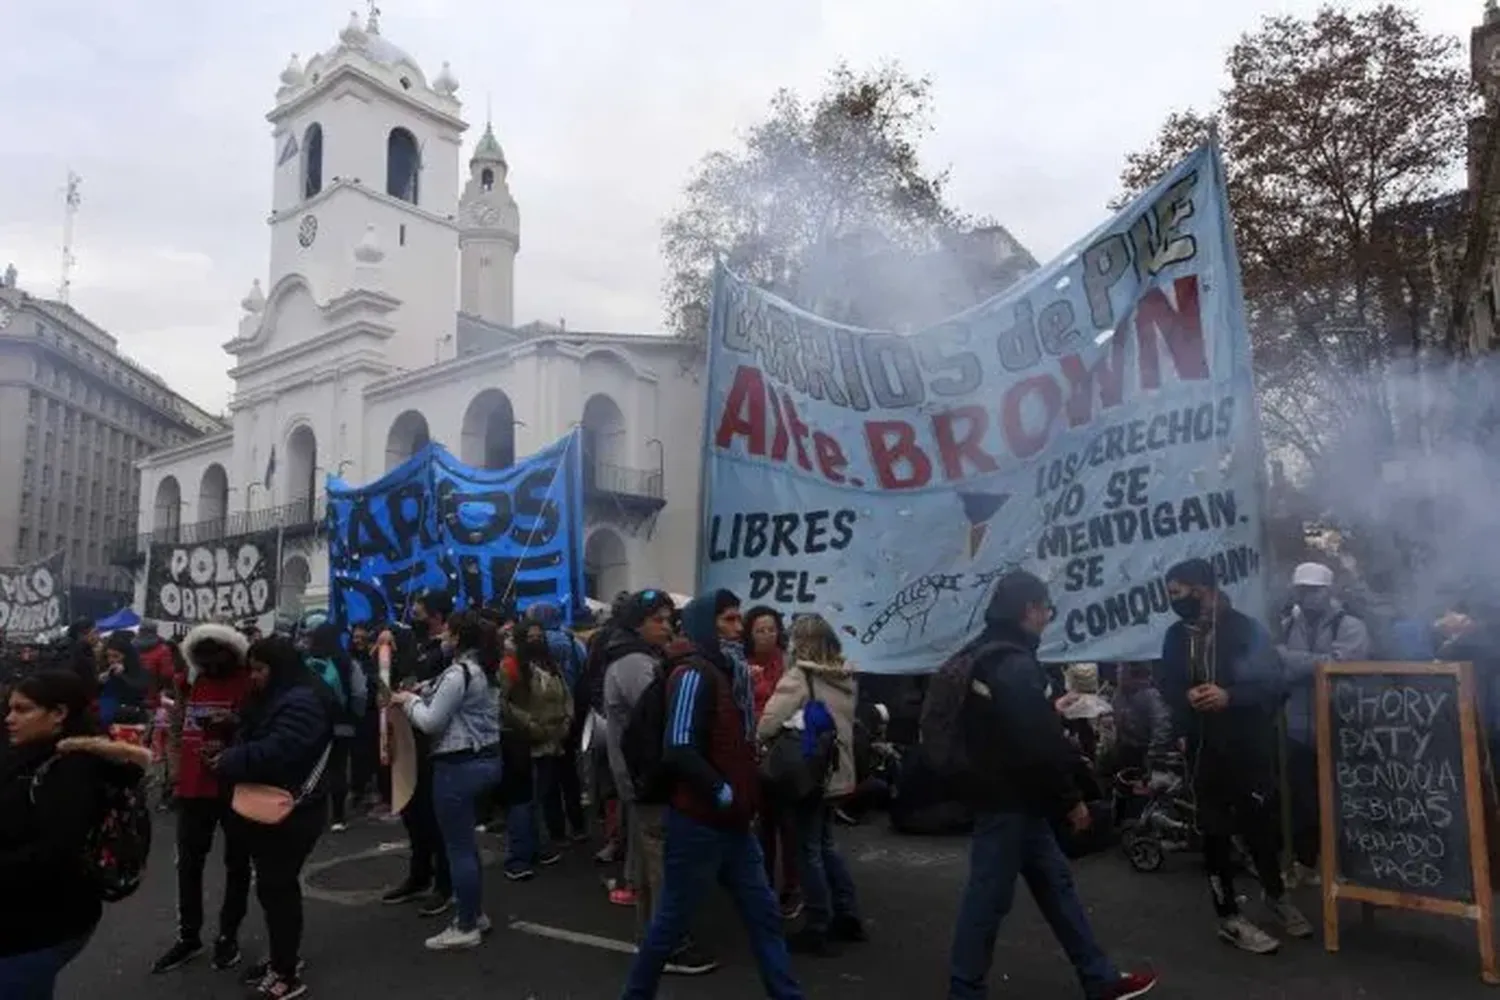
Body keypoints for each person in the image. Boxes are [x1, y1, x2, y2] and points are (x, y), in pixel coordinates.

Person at [947, 570, 1156, 1000]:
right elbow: (1036, 744)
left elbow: (1012, 725)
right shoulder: (1014, 662)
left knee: (1056, 888)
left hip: (1014, 797)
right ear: (1030, 610)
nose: (1047, 617)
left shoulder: (986, 653)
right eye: (1046, 609)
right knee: (986, 903)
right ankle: (964, 991)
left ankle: (1098, 978)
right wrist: (1070, 799)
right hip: (1009, 800)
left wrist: (1047, 712)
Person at [620, 592, 802, 1000]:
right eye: (729, 621)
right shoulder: (693, 675)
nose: (740, 630)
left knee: (764, 915)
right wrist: (723, 793)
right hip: (699, 824)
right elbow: (679, 746)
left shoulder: (723, 672)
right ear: (708, 624)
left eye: (739, 620)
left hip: (732, 824)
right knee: (668, 923)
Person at [1159, 558, 1310, 954]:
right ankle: (1228, 915)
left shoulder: (1246, 630)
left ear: (1203, 589)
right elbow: (1167, 684)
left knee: (1259, 825)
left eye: (1178, 593)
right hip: (1203, 751)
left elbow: (1274, 685)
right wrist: (1185, 698)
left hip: (1248, 748)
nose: (1173, 601)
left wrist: (1230, 697)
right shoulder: (1176, 636)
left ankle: (1275, 896)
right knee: (1214, 831)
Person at [0, 670, 151, 999]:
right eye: (9, 708)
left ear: (59, 714)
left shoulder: (70, 769)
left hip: (39, 926)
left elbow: (53, 854)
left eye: (23, 710)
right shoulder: (26, 753)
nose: (10, 718)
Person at [214, 635, 334, 999]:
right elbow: (264, 730)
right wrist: (234, 722)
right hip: (276, 806)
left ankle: (286, 973)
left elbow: (280, 748)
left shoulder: (303, 701)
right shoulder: (282, 695)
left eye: (260, 669)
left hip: (293, 811)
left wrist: (231, 759)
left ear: (279, 667)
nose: (254, 677)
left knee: (277, 887)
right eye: (251, 669)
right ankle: (284, 958)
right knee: (274, 887)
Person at [392, 609, 503, 951]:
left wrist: (408, 700)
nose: (441, 637)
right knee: (465, 846)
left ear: (457, 637)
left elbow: (430, 722)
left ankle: (466, 924)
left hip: (457, 767)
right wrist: (424, 690)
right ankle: (475, 912)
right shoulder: (483, 669)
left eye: (447, 633)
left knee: (459, 849)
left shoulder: (459, 673)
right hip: (486, 760)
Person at [757, 612, 866, 955]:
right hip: (836, 771)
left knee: (807, 849)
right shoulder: (846, 675)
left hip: (807, 775)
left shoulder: (801, 676)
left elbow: (767, 723)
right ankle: (847, 913)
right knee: (825, 844)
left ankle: (818, 923)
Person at [151, 623, 256, 975]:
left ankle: (228, 935)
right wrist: (176, 771)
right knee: (189, 863)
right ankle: (189, 935)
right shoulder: (189, 681)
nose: (210, 664)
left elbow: (262, 725)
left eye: (216, 656)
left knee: (237, 863)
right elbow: (179, 727)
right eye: (202, 657)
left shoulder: (250, 681)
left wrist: (236, 722)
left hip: (235, 784)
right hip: (194, 788)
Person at [1276, 562, 1369, 885]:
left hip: (1340, 727)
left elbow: (1337, 666)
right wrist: (1311, 664)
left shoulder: (1352, 626)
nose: (1307, 594)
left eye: (1313, 589)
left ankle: (1344, 867)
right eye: (1302, 589)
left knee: (1341, 801)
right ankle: (1305, 864)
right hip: (1297, 729)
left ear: (1328, 591)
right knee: (1302, 802)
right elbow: (1288, 671)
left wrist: (1290, 658)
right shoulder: (1289, 624)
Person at [382, 593, 454, 915]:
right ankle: (419, 873)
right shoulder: (419, 647)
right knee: (411, 810)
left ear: (436, 616)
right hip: (408, 739)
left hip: (434, 743)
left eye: (420, 612)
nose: (413, 615)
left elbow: (431, 687)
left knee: (434, 816)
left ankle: (445, 883)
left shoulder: (446, 650)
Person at [501, 619, 571, 879]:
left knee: (538, 799)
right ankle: (517, 857)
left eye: (539, 636)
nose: (536, 640)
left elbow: (565, 695)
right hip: (524, 744)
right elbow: (503, 703)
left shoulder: (550, 665)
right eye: (530, 637)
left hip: (552, 741)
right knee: (523, 802)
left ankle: (537, 847)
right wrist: (529, 724)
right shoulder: (510, 667)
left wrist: (566, 719)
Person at [745, 605, 800, 917]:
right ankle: (763, 883)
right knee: (763, 823)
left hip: (786, 750)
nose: (767, 635)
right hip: (755, 752)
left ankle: (792, 886)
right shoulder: (742, 665)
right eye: (760, 630)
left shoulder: (789, 662)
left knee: (788, 824)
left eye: (771, 629)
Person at [305, 623, 369, 833]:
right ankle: (338, 816)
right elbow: (360, 692)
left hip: (311, 723)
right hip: (342, 722)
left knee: (313, 768)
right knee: (338, 768)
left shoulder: (306, 661)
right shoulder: (346, 662)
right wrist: (356, 716)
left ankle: (313, 813)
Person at [98, 631, 150, 728]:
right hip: (109, 718)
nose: (111, 660)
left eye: (116, 656)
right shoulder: (106, 670)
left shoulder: (140, 670)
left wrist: (122, 676)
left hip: (131, 719)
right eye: (108, 656)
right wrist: (100, 682)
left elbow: (139, 691)